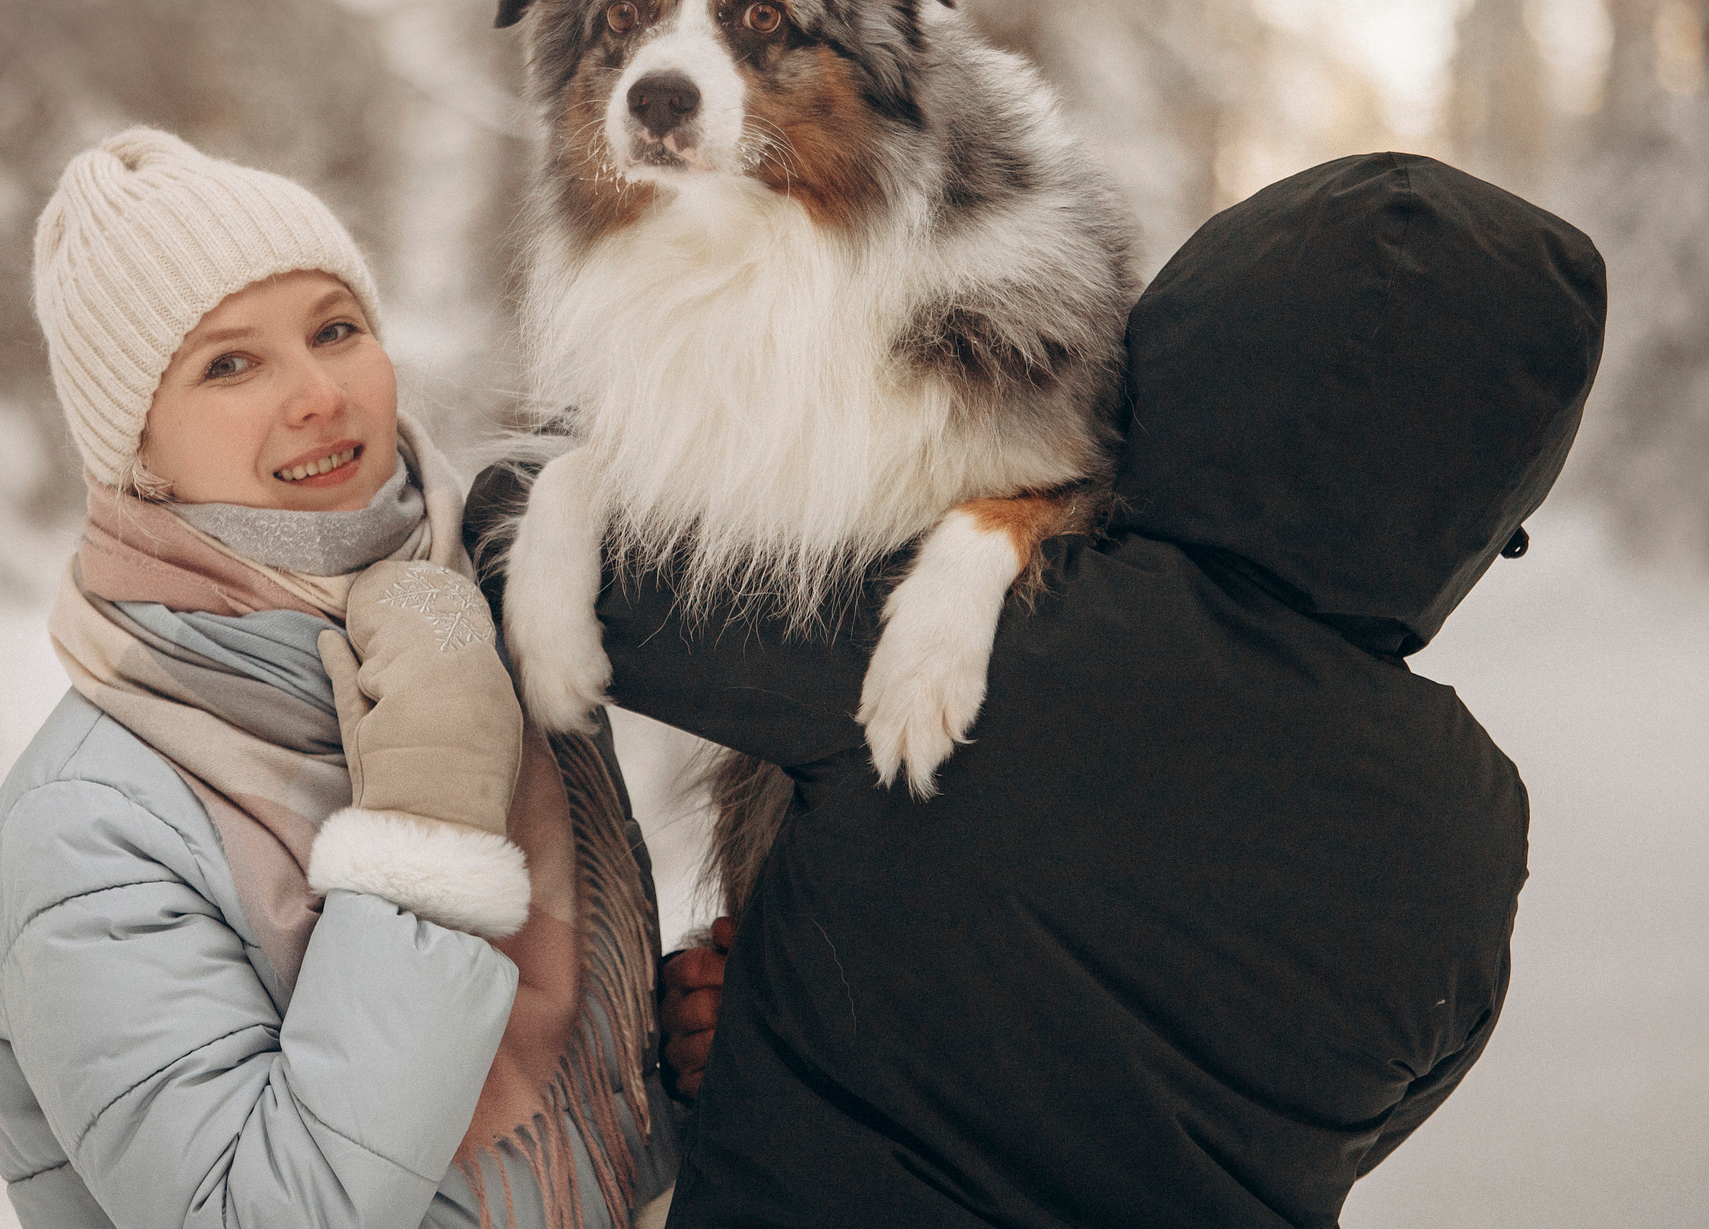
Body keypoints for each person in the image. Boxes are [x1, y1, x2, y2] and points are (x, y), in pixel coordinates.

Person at [487, 153, 1605, 1227]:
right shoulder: (1473, 831)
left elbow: (524, 523)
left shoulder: (961, 622)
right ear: (1486, 511)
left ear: (1174, 350)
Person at [0, 127, 684, 1228]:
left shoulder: (491, 622)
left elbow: (595, 1097)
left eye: (335, 330)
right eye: (228, 364)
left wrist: (694, 1053)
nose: (317, 395)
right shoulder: (88, 826)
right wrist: (429, 827)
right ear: (136, 453)